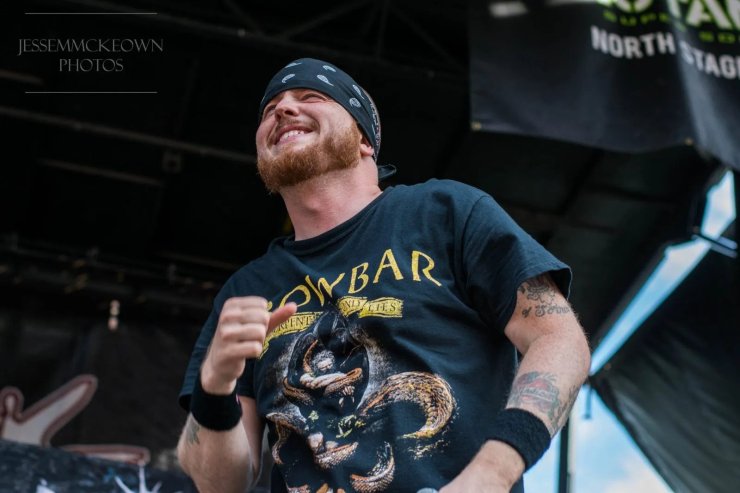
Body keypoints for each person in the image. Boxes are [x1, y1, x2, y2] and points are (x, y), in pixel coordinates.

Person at [176, 58, 590, 493]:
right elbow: (220, 485)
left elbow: (559, 340)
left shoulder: (445, 214)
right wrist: (214, 386)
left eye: (310, 96)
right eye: (269, 108)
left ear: (363, 140)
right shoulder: (247, 290)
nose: (282, 110)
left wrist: (491, 473)